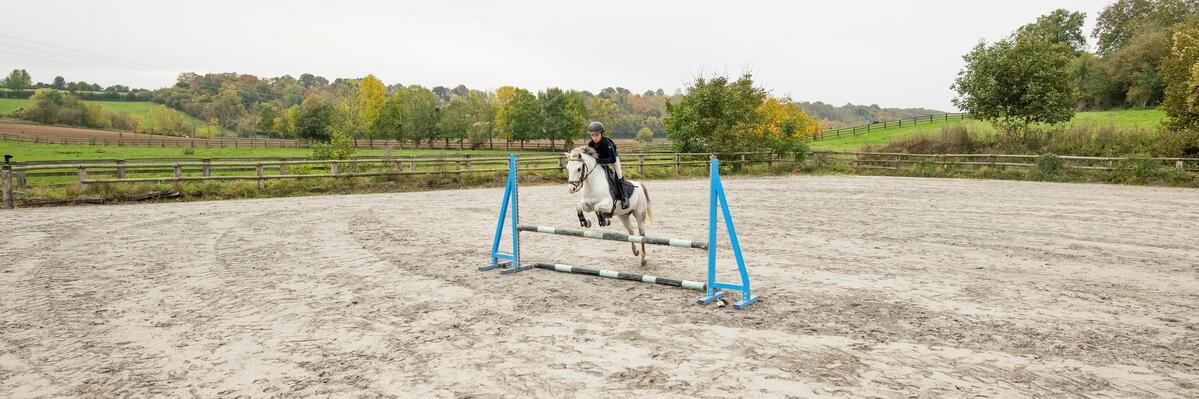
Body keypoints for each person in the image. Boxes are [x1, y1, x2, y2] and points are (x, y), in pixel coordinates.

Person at [586, 121, 628, 209]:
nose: (594, 138)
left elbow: (612, 159)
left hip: (613, 159)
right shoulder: (590, 144)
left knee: (619, 175)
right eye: (592, 135)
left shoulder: (607, 143)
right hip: (599, 160)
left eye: (597, 135)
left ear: (601, 134)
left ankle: (625, 198)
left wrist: (599, 161)